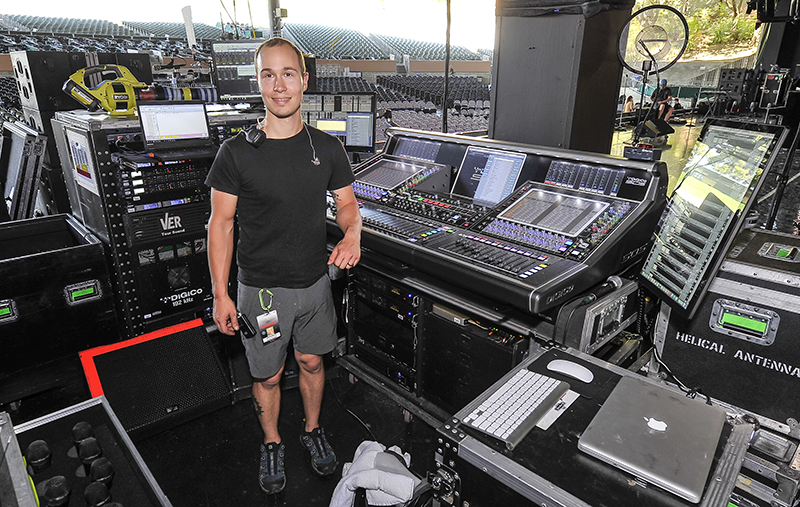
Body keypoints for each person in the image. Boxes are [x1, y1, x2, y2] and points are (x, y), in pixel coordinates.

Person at [206, 37, 362, 494]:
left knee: (313, 362)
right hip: (261, 292)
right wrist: (220, 293)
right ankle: (271, 440)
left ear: (304, 81)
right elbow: (220, 225)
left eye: (288, 74)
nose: (279, 85)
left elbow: (348, 206)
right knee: (268, 375)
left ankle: (312, 430)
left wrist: (352, 233)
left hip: (314, 286)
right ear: (258, 82)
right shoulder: (235, 153)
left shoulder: (328, 148)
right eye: (268, 75)